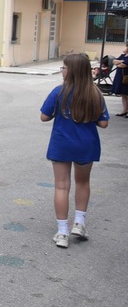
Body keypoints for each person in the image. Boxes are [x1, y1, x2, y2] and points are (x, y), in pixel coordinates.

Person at [40, 53, 109, 248]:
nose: (62, 70)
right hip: (86, 145)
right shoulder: (95, 93)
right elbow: (103, 123)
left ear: (70, 71)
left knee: (62, 186)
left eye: (63, 68)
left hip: (62, 144)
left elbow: (44, 117)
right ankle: (79, 223)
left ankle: (62, 232)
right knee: (83, 182)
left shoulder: (59, 92)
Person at [110, 43, 128, 116]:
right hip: (120, 77)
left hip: (126, 77)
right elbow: (114, 61)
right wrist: (122, 61)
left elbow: (124, 65)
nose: (125, 48)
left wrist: (120, 62)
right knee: (123, 94)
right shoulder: (123, 55)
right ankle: (124, 110)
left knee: (127, 94)